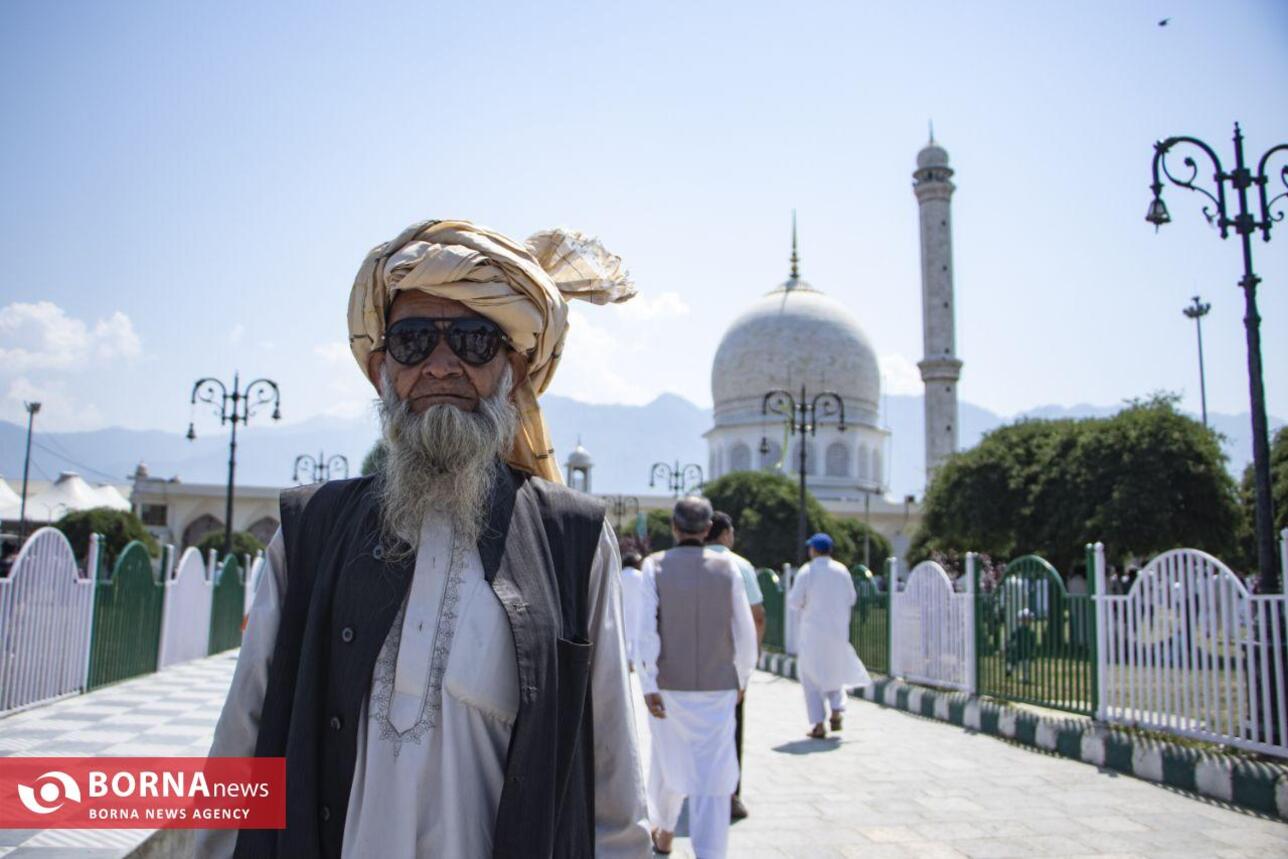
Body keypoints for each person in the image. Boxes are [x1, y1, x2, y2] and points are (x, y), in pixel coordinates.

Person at [199, 220, 650, 858]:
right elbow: (243, 735)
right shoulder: (312, 530)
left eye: (472, 339)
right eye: (413, 342)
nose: (442, 364)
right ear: (383, 369)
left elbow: (612, 772)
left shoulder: (570, 538)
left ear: (514, 373)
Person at [637, 497, 756, 858]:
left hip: (669, 688)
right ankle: (710, 852)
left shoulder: (653, 567)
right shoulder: (727, 568)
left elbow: (646, 632)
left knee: (669, 762)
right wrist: (742, 679)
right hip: (719, 686)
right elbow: (744, 632)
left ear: (674, 527)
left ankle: (666, 832)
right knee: (714, 775)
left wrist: (648, 682)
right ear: (707, 530)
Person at [702, 511, 763, 821]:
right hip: (730, 662)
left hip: (693, 662)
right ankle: (729, 795)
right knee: (731, 726)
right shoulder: (740, 565)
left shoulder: (682, 562)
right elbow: (757, 616)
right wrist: (752, 660)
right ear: (725, 534)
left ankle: (696, 787)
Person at [787, 533, 871, 739]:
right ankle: (836, 711)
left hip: (813, 635)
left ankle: (818, 725)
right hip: (838, 633)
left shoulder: (807, 571)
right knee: (835, 674)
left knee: (811, 680)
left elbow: (794, 601)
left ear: (814, 550)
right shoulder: (841, 570)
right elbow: (851, 598)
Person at [620, 550, 645, 669]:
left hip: (622, 608)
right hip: (638, 608)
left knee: (623, 635)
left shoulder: (619, 575)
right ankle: (631, 660)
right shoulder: (640, 575)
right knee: (635, 636)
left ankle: (624, 659)